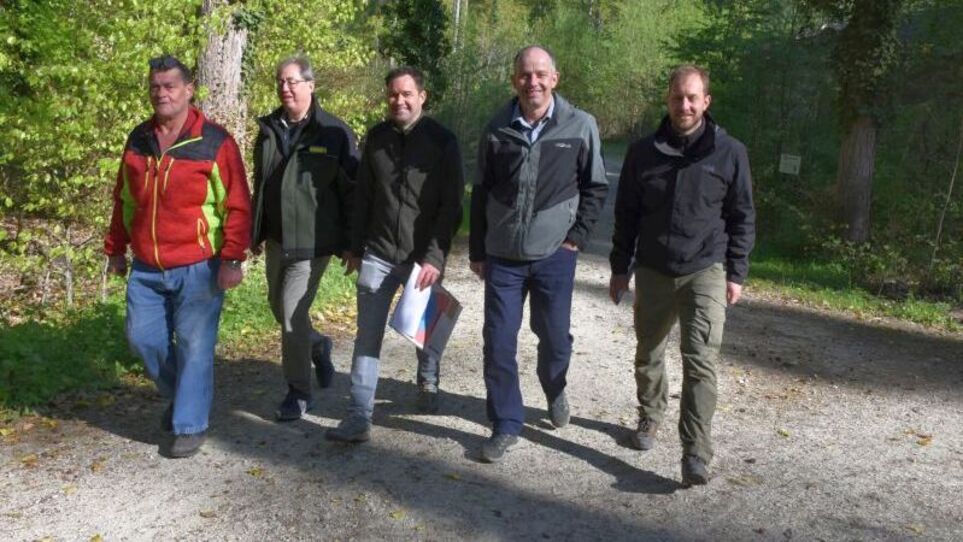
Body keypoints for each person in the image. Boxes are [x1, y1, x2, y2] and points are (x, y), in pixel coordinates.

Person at [608, 65, 755, 486]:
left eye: (692, 98)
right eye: (677, 97)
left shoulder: (730, 152)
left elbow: (742, 215)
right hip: (654, 268)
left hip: (705, 269)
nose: (684, 105)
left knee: (701, 362)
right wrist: (619, 267)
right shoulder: (643, 153)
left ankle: (695, 452)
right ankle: (650, 415)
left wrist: (736, 272)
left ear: (706, 102)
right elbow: (626, 215)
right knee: (649, 351)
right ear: (667, 100)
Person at [105, 54, 251, 458]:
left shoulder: (215, 141)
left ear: (189, 90)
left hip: (198, 267)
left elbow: (237, 204)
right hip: (146, 267)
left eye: (170, 86)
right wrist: (115, 249)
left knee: (194, 345)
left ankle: (189, 424)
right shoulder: (138, 139)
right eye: (155, 87)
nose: (161, 93)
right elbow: (124, 200)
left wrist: (232, 259)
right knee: (142, 339)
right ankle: (185, 395)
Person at [469, 46, 608, 463]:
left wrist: (576, 239)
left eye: (540, 74)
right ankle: (505, 423)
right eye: (525, 75)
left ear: (554, 79)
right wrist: (478, 248)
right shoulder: (496, 127)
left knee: (554, 337)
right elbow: (481, 191)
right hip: (503, 255)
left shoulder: (580, 125)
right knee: (498, 341)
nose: (533, 82)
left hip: (554, 255)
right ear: (514, 80)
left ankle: (554, 385)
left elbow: (596, 187)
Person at [326, 66, 464, 443]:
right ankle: (358, 416)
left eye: (406, 94)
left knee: (422, 328)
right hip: (379, 252)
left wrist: (435, 257)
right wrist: (355, 247)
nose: (398, 101)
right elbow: (363, 198)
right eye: (392, 94)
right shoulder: (376, 139)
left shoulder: (442, 141)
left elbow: (451, 205)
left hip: (423, 258)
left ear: (422, 96)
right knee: (366, 337)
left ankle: (428, 378)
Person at [250, 55, 359, 421]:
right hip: (277, 238)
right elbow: (261, 184)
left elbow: (352, 192)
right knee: (279, 308)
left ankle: (298, 392)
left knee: (292, 313)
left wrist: (352, 243)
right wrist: (255, 231)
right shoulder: (268, 129)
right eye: (280, 81)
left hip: (313, 242)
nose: (285, 88)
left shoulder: (334, 132)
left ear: (311, 86)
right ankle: (317, 346)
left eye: (292, 81)